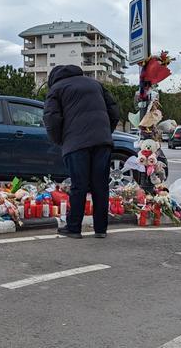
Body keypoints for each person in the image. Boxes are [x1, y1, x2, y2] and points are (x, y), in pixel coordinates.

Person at [44, 65, 119, 240]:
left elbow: (51, 118)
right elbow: (114, 111)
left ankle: (74, 228)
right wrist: (106, 132)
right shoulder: (95, 84)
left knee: (79, 185)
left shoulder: (57, 89)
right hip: (102, 142)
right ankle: (101, 229)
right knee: (100, 186)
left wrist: (60, 140)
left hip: (76, 143)